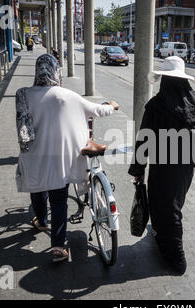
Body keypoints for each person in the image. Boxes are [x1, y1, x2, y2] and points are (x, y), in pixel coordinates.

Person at [15, 54, 120, 262]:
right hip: (62, 160)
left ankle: (42, 221)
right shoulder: (68, 95)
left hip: (35, 157)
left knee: (37, 189)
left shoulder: (23, 94)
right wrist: (113, 106)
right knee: (59, 200)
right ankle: (58, 247)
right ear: (56, 71)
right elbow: (97, 110)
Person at [128, 56, 195, 274]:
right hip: (185, 169)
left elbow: (144, 140)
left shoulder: (155, 105)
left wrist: (138, 170)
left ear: (165, 81)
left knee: (166, 208)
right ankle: (162, 238)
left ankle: (176, 259)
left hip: (162, 167)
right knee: (172, 204)